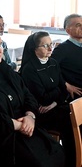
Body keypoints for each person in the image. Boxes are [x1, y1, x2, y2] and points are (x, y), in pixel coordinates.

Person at [0, 28, 65, 167]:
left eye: (1, 44)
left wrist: (30, 116)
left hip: (22, 130)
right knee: (38, 163)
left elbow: (28, 96)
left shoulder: (6, 70)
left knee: (57, 152)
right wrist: (19, 125)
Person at [19, 31, 75, 167]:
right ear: (35, 49)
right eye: (45, 46)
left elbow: (64, 90)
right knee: (70, 122)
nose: (51, 49)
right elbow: (42, 98)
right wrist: (58, 92)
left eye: (51, 44)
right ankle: (71, 161)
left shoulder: (54, 63)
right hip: (41, 113)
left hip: (55, 107)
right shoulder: (29, 69)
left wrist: (55, 102)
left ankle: (76, 156)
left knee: (75, 116)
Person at [51, 13, 82, 101]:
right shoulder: (62, 49)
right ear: (68, 30)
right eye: (78, 25)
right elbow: (50, 69)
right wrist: (65, 85)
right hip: (76, 95)